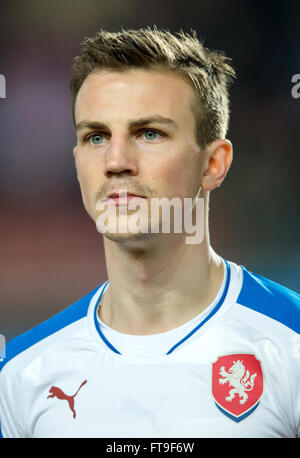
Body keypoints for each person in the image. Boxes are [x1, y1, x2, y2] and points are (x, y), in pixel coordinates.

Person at [0, 26, 299, 439]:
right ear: (77, 162)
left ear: (214, 164)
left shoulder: (290, 346)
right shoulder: (19, 374)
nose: (116, 161)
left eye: (149, 133)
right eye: (96, 137)